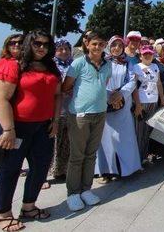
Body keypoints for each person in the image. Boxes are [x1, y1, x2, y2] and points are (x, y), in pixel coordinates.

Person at [0, 30, 62, 230]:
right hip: (16, 126)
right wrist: (8, 129)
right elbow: (0, 98)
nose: (42, 48)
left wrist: (55, 120)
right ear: (29, 44)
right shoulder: (14, 65)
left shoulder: (50, 66)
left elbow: (57, 95)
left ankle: (28, 206)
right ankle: (3, 215)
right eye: (37, 43)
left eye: (46, 44)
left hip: (43, 126)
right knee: (9, 170)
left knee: (40, 168)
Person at [62, 32, 111, 212]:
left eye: (101, 44)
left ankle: (86, 189)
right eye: (94, 44)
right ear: (87, 45)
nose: (97, 47)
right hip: (80, 115)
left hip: (100, 113)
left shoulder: (108, 65)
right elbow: (66, 86)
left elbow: (103, 85)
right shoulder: (78, 63)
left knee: (91, 154)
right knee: (77, 156)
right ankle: (73, 193)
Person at [95, 37, 141, 182]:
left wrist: (120, 94)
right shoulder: (102, 63)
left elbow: (132, 81)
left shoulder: (127, 63)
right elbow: (98, 81)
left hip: (122, 105)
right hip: (106, 105)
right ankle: (107, 171)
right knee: (106, 139)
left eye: (120, 45)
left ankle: (126, 169)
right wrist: (110, 96)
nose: (116, 48)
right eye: (114, 45)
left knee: (123, 139)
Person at [0, 34, 23, 183]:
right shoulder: (6, 63)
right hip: (2, 113)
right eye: (12, 43)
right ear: (7, 46)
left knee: (12, 147)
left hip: (14, 113)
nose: (16, 46)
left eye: (20, 43)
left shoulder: (21, 63)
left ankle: (5, 169)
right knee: (4, 146)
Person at [131, 45, 164, 163]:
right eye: (145, 54)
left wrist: (162, 99)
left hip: (153, 101)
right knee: (139, 131)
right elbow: (134, 85)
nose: (147, 56)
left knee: (148, 131)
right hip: (142, 101)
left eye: (150, 54)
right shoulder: (136, 67)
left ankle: (144, 156)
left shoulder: (155, 66)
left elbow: (159, 83)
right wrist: (138, 104)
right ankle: (137, 160)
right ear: (140, 56)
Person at [49, 38, 74, 183]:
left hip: (71, 108)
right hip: (55, 108)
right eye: (60, 49)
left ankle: (63, 170)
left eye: (66, 49)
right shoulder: (51, 66)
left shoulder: (74, 65)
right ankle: (48, 171)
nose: (64, 51)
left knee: (67, 141)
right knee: (53, 141)